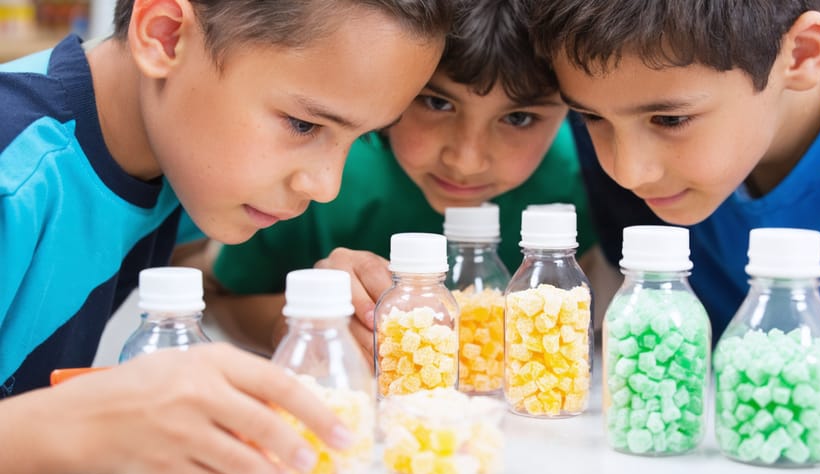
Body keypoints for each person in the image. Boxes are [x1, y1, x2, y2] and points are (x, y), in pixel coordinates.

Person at [0, 0, 450, 474]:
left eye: (362, 137)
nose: (326, 186)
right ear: (165, 36)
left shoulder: (172, 152)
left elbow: (198, 275)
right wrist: (94, 423)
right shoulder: (14, 173)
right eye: (304, 125)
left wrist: (307, 322)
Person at [196, 0, 618, 357]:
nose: (466, 160)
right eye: (436, 102)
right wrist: (299, 321)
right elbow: (221, 299)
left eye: (519, 118)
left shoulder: (582, 175)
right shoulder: (315, 174)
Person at [529, 0, 820, 373]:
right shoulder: (610, 99)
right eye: (590, 117)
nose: (628, 174)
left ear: (802, 54)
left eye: (670, 120)